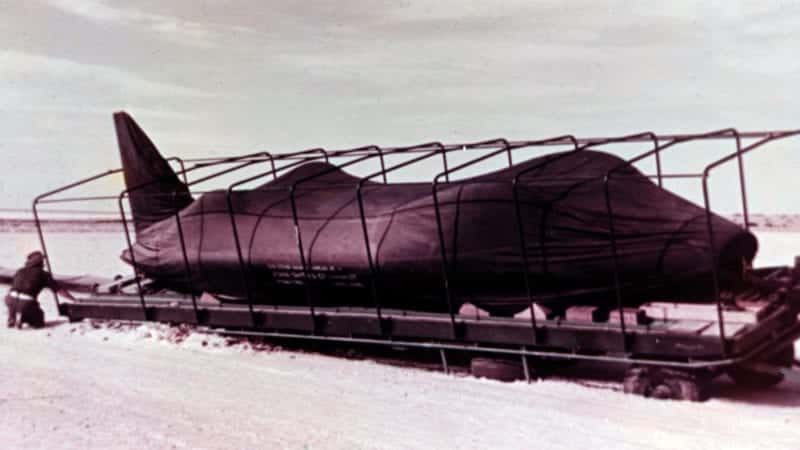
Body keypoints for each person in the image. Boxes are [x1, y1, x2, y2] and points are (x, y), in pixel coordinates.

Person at [4, 251, 75, 329]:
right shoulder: (43, 274)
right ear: (40, 263)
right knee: (39, 322)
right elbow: (59, 290)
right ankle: (23, 318)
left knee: (16, 301)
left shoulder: (20, 270)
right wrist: (73, 299)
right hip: (26, 302)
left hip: (10, 299)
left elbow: (14, 285)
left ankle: (12, 317)